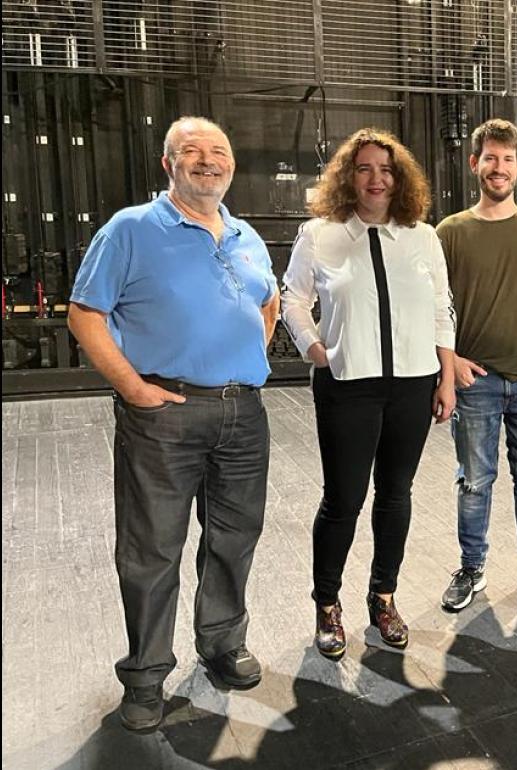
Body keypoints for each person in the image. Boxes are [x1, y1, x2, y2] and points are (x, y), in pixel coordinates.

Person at [67, 116, 279, 731]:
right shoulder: (131, 229)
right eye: (193, 152)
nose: (208, 161)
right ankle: (146, 674)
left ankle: (221, 642)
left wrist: (250, 357)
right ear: (169, 165)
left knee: (234, 538)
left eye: (219, 151)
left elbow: (265, 300)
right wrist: (134, 387)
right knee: (151, 548)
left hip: (243, 413)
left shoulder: (244, 234)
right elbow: (85, 314)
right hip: (163, 413)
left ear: (231, 166)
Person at [281, 128, 456, 659]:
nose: (376, 178)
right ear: (347, 177)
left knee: (396, 497)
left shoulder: (423, 237)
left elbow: (442, 309)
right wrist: (315, 348)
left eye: (386, 169)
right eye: (364, 168)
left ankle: (383, 597)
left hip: (412, 385)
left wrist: (445, 377)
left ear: (398, 177)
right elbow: (293, 300)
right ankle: (327, 604)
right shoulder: (320, 234)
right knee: (343, 502)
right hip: (347, 387)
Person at [435, 118, 517, 610]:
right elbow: (433, 307)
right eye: (490, 158)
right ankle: (472, 569)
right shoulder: (449, 232)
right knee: (475, 481)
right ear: (474, 164)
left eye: (508, 159)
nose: (499, 167)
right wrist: (451, 366)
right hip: (475, 384)